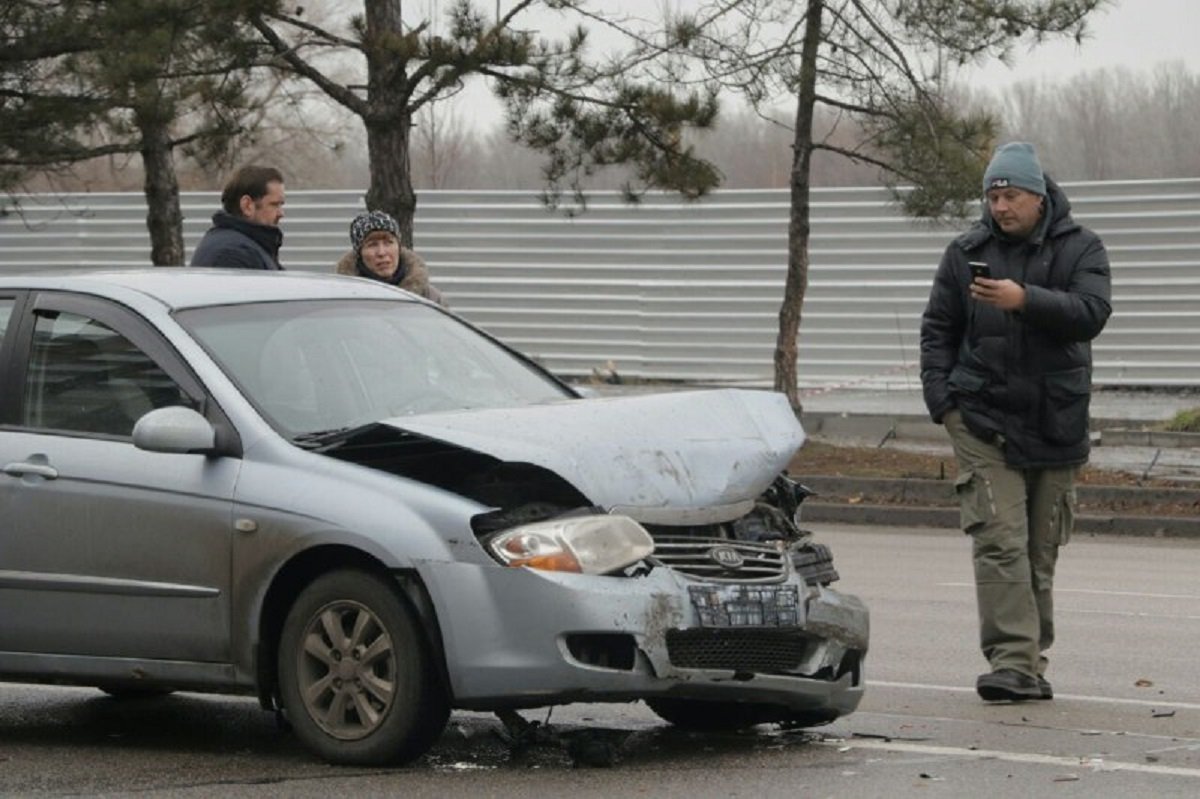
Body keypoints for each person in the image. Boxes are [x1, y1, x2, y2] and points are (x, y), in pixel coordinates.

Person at [919, 141, 1112, 702]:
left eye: (1011, 196)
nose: (1000, 207)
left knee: (1038, 552)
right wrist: (944, 404)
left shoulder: (1082, 247)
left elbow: (1091, 314)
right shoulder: (965, 252)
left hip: (1056, 421)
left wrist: (1024, 299)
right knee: (1000, 542)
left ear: (1038, 196)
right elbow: (938, 330)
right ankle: (1012, 663)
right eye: (992, 197)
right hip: (983, 420)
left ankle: (1030, 663)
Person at [336, 210, 446, 306]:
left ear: (399, 247)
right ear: (359, 254)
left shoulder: (428, 297)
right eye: (372, 245)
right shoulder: (343, 298)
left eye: (388, 242)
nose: (381, 252)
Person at [190, 165, 285, 269]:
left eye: (281, 205)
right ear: (247, 205)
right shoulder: (232, 254)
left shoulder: (244, 246)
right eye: (274, 204)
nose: (281, 213)